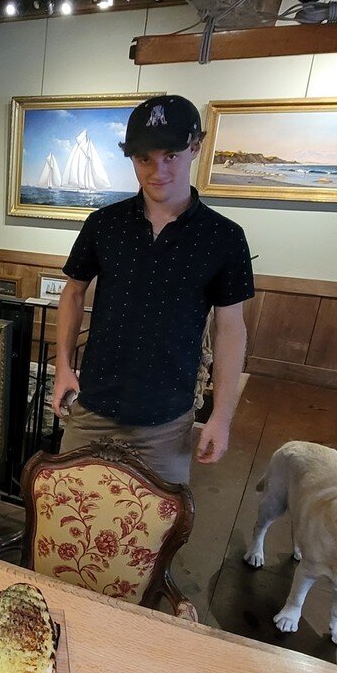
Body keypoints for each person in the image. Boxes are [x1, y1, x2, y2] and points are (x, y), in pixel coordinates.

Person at [50, 94, 253, 484]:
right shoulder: (103, 224)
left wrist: (221, 417)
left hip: (167, 420)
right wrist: (63, 366)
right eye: (145, 158)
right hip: (92, 406)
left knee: (153, 532)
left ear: (195, 147)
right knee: (69, 515)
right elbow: (73, 292)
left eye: (171, 155)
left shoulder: (224, 237)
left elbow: (230, 329)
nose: (158, 170)